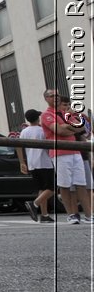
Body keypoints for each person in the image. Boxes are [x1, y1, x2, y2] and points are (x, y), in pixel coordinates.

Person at [40, 89, 92, 224]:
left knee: (81, 184)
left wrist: (66, 126)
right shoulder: (46, 115)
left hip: (75, 152)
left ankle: (88, 214)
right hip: (60, 153)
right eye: (52, 96)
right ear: (46, 98)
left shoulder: (66, 113)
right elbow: (59, 130)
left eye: (57, 95)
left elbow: (82, 127)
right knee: (64, 185)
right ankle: (71, 215)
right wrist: (69, 127)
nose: (55, 98)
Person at [18, 110, 56, 222]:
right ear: (38, 118)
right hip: (45, 162)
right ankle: (34, 204)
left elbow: (18, 146)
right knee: (52, 188)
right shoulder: (42, 130)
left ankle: (44, 214)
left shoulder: (24, 132)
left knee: (42, 189)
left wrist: (22, 162)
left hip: (32, 163)